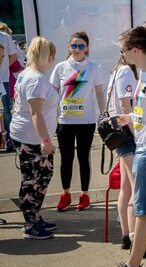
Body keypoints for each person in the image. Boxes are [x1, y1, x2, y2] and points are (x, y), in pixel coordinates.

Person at [98, 27, 146, 267]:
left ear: (135, 50)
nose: (122, 55)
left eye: (123, 50)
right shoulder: (144, 73)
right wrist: (131, 118)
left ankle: (132, 265)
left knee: (142, 209)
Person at [49, 31, 106, 212]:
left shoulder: (93, 67)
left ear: (87, 48)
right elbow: (52, 93)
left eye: (81, 46)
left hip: (86, 121)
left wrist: (103, 114)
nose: (77, 49)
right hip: (65, 121)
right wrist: (49, 116)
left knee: (83, 158)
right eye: (74, 45)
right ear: (69, 47)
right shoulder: (60, 67)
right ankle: (65, 194)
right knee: (66, 159)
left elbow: (99, 93)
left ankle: (84, 195)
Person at [10, 37, 60, 239]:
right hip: (31, 138)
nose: (53, 60)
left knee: (42, 176)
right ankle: (31, 223)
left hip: (29, 136)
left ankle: (34, 216)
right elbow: (35, 113)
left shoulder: (29, 75)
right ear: (46, 56)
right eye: (52, 56)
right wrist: (46, 140)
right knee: (33, 180)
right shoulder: (36, 79)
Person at [106, 53, 138, 248]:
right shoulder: (126, 71)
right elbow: (126, 105)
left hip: (118, 131)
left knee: (126, 187)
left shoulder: (116, 71)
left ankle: (127, 236)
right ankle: (137, 238)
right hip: (126, 131)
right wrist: (137, 135)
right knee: (136, 187)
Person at [0, 23, 24, 153]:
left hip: (3, 79)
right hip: (3, 79)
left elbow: (13, 56)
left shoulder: (4, 37)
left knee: (6, 111)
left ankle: (10, 141)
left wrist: (3, 66)